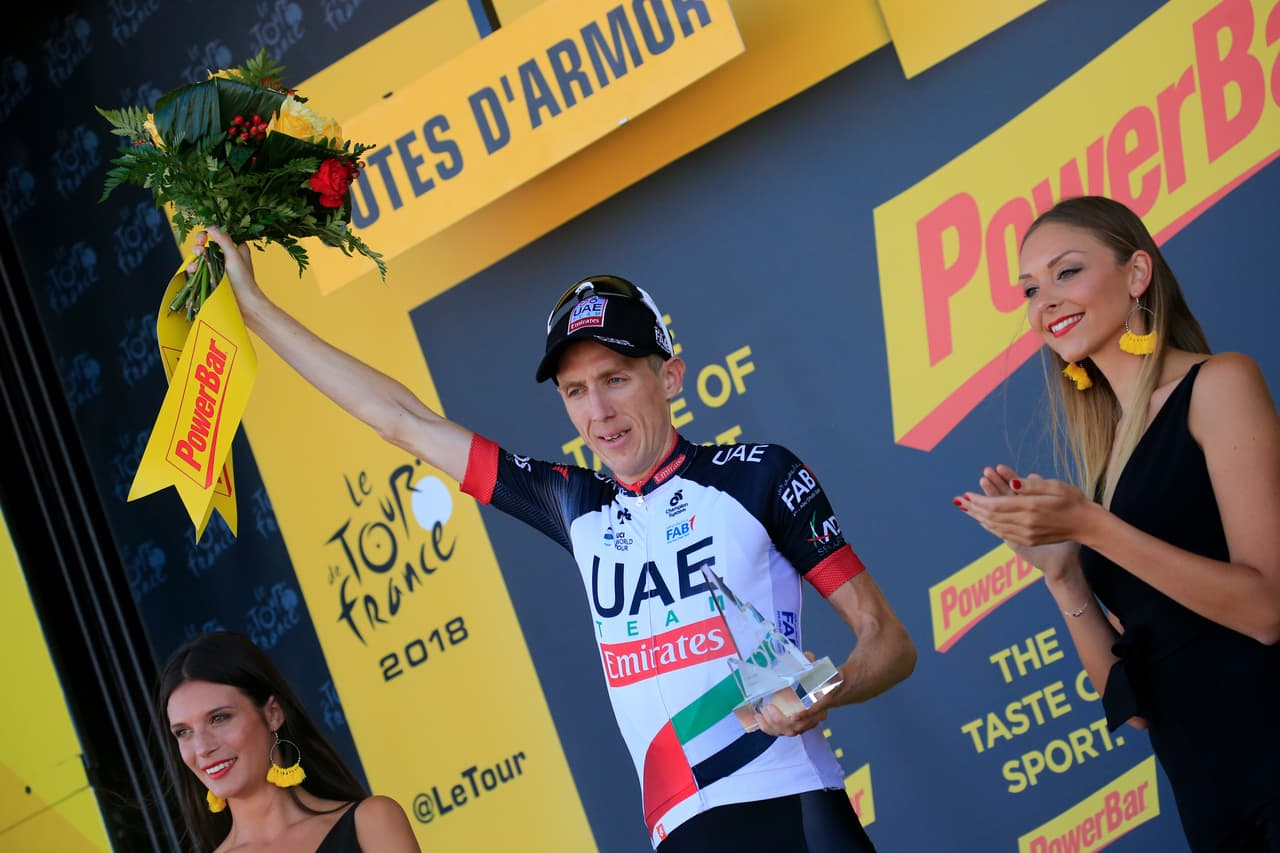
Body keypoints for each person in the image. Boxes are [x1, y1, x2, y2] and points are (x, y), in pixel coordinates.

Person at [195, 226, 916, 851]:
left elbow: (887, 640)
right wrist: (256, 310)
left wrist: (827, 692)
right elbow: (400, 420)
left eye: (615, 379)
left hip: (791, 805)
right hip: (679, 828)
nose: (598, 412)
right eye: (575, 392)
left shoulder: (757, 477)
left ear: (669, 374)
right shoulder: (576, 503)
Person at [955, 195, 1280, 852]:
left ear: (1136, 275)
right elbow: (1134, 706)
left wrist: (1094, 526)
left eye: (1066, 272)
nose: (1043, 300)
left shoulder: (1219, 384)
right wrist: (1065, 576)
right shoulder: (1108, 470)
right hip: (1210, 805)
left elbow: (1267, 608)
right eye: (1028, 288)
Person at [156, 630, 421, 852]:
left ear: (273, 713)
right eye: (183, 732)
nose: (202, 747)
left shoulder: (371, 822)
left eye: (219, 718)